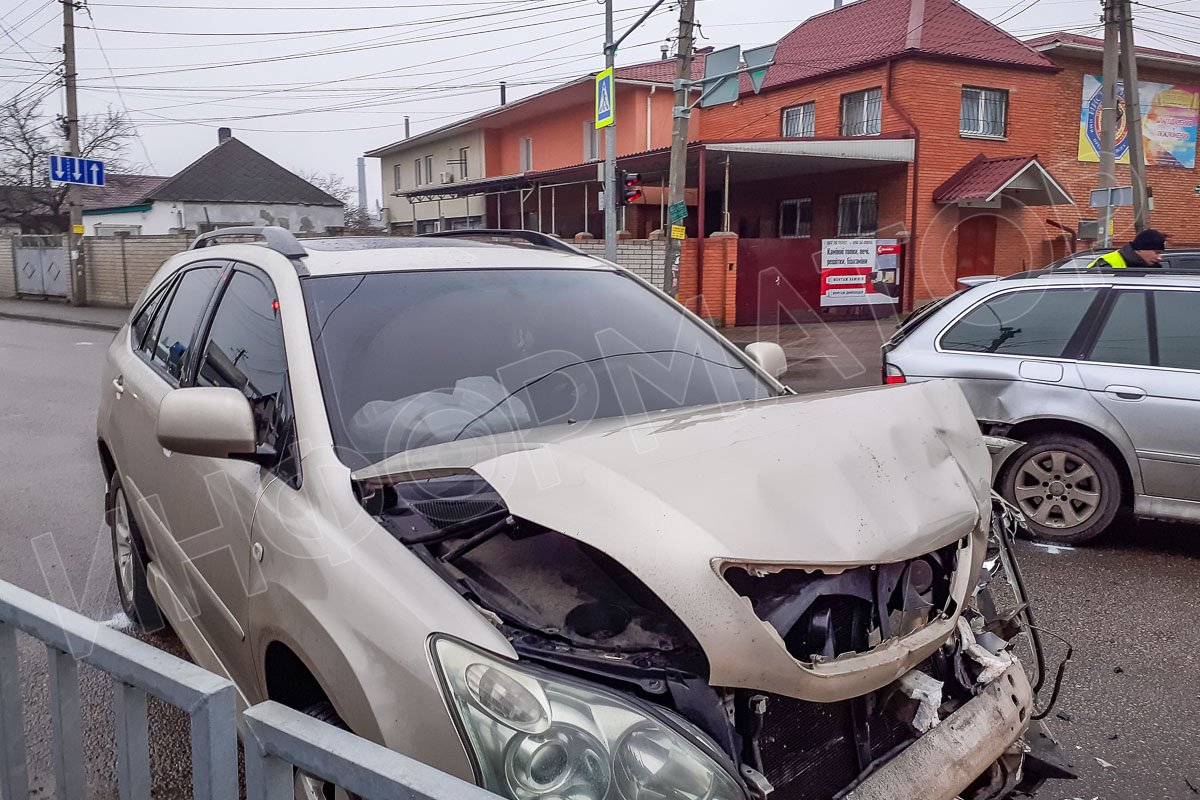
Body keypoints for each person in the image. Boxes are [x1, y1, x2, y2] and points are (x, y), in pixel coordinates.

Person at [1088, 228, 1167, 268]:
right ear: (1141, 249)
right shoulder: (1107, 266)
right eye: (1157, 252)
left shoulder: (1154, 267)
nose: (1159, 258)